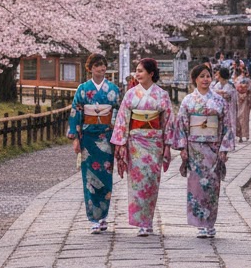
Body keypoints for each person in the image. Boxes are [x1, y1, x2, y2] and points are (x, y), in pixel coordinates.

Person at [110, 57, 175, 236]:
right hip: (136, 142)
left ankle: (148, 220)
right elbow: (123, 119)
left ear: (151, 73)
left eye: (140, 71)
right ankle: (141, 222)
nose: (137, 74)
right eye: (136, 71)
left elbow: (168, 121)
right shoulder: (131, 94)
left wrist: (168, 145)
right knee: (137, 182)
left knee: (151, 181)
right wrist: (121, 143)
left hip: (155, 142)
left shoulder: (162, 95)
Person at [173, 63, 235, 238]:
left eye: (208, 76)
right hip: (195, 148)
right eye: (201, 76)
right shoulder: (188, 101)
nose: (205, 79)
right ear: (195, 80)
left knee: (212, 186)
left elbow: (227, 125)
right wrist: (182, 147)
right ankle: (200, 223)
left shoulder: (219, 100)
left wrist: (224, 148)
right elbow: (182, 125)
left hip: (213, 148)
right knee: (196, 186)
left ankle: (210, 223)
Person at [67, 53, 122, 232]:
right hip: (88, 139)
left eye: (104, 65)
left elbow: (119, 111)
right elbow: (76, 112)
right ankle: (94, 219)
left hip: (106, 138)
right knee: (89, 178)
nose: (101, 68)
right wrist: (75, 137)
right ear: (90, 68)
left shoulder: (113, 89)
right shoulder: (83, 89)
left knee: (106, 177)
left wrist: (115, 129)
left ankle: (103, 216)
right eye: (97, 65)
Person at [212, 65, 239, 141]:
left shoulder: (230, 85)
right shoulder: (217, 85)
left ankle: (230, 139)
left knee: (230, 122)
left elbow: (228, 95)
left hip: (229, 108)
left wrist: (220, 93)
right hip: (219, 108)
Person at [233, 63, 251, 141]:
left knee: (238, 117)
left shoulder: (236, 80)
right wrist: (249, 97)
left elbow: (234, 90)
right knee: (245, 118)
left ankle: (239, 135)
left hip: (238, 100)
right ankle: (245, 134)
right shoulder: (248, 80)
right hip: (245, 100)